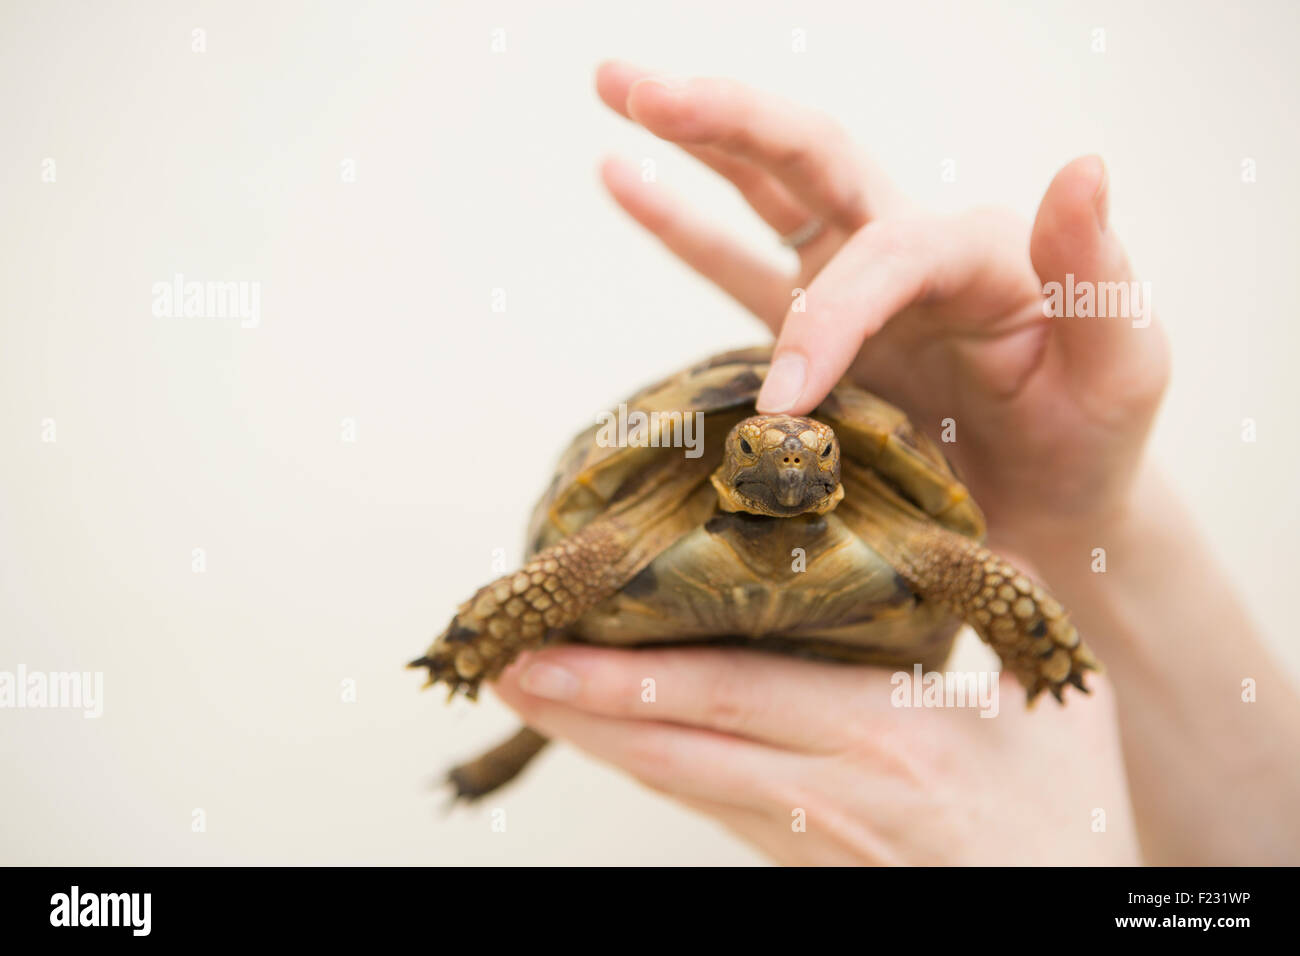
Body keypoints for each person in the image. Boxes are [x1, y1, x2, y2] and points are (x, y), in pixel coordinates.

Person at [490, 61, 1300, 865]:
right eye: (757, 447)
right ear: (723, 464)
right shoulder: (632, 527)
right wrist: (1079, 528)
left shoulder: (914, 540)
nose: (790, 455)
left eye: (816, 449)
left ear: (839, 470)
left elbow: (972, 572)